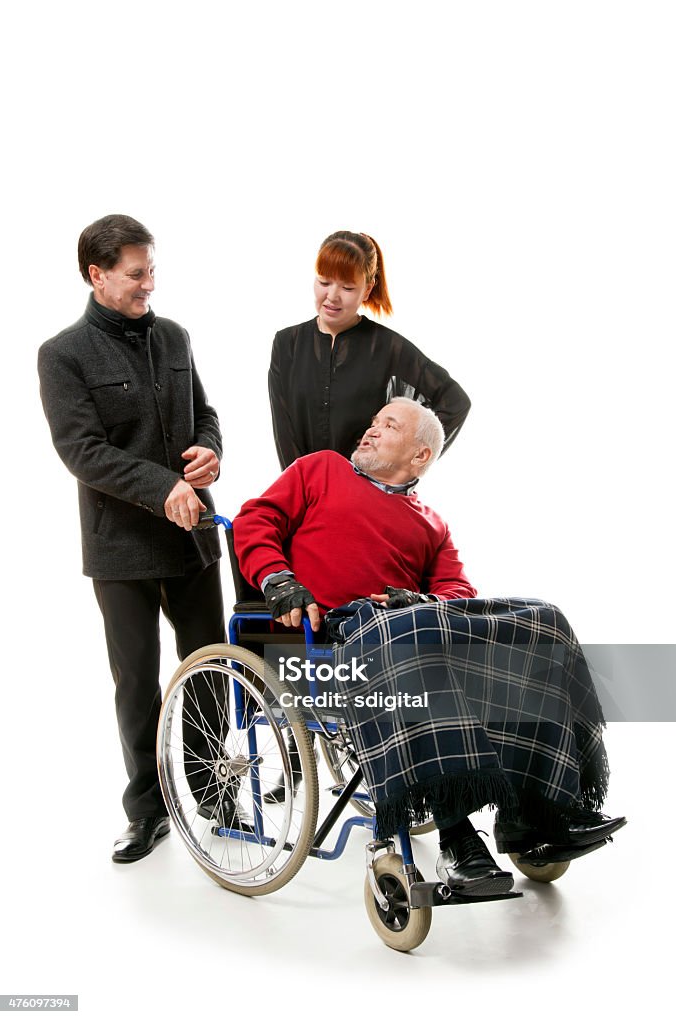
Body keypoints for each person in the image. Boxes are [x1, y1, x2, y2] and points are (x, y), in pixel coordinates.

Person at [233, 397, 626, 896]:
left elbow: (458, 595)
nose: (370, 430)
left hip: (410, 630)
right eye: (373, 421)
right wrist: (278, 579)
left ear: (420, 455)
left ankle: (539, 814)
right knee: (414, 635)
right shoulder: (321, 470)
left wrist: (412, 598)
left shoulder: (432, 523)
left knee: (545, 620)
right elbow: (254, 520)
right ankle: (458, 839)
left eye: (388, 425)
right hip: (330, 637)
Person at [38, 214, 227, 864]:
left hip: (193, 538)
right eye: (137, 273)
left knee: (210, 666)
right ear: (97, 274)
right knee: (137, 682)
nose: (151, 283)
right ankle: (147, 810)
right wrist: (159, 486)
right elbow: (81, 451)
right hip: (120, 549)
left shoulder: (174, 336)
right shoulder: (62, 355)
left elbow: (204, 413)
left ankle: (214, 792)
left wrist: (209, 454)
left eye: (152, 269)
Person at [268, 230, 471, 470]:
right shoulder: (287, 344)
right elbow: (285, 433)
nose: (332, 296)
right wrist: (298, 489)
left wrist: (401, 465)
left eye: (348, 288)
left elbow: (454, 401)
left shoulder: (387, 346)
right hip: (304, 493)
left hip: (364, 494)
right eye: (324, 282)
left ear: (367, 289)